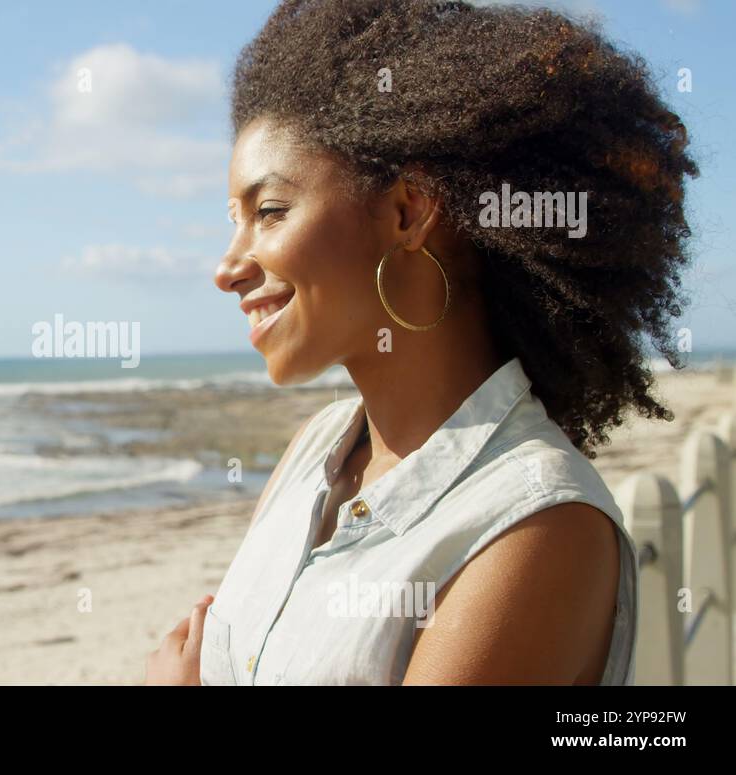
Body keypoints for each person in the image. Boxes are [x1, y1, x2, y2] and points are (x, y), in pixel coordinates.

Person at [145, 0, 696, 685]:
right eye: (235, 220)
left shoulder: (533, 526)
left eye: (269, 212)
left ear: (408, 211)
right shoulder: (315, 450)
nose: (227, 266)